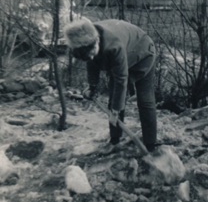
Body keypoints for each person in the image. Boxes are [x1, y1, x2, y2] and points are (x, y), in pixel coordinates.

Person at [64, 17, 158, 152]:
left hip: (143, 53)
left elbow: (121, 79)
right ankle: (115, 141)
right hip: (125, 52)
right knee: (115, 98)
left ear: (96, 42)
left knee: (144, 99)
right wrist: (92, 87)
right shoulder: (85, 38)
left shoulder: (113, 46)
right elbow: (92, 63)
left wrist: (115, 110)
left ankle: (150, 145)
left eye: (92, 54)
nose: (91, 58)